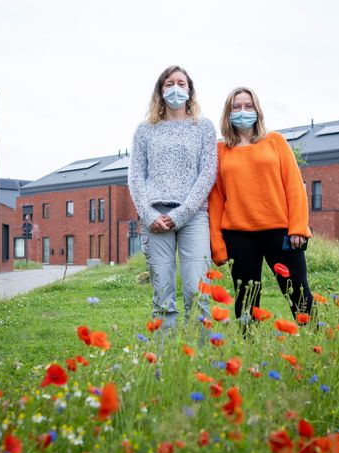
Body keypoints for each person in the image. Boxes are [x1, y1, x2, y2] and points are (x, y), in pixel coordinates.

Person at [208, 87, 313, 322]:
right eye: (236, 107)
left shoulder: (275, 141)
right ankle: (248, 350)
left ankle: (316, 343)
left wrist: (298, 228)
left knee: (298, 292)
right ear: (228, 113)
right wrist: (217, 244)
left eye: (248, 106)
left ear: (257, 111)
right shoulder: (220, 151)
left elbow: (294, 186)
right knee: (246, 298)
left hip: (281, 232)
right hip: (239, 236)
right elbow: (216, 200)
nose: (243, 111)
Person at [128, 65, 217, 329]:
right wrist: (148, 215)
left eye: (181, 83)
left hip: (194, 217)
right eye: (169, 84)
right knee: (163, 295)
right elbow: (136, 176)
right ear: (160, 90)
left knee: (196, 290)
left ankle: (199, 361)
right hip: (155, 219)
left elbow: (208, 173)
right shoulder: (145, 130)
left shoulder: (203, 127)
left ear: (189, 91)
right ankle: (167, 363)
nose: (175, 88)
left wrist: (181, 214)